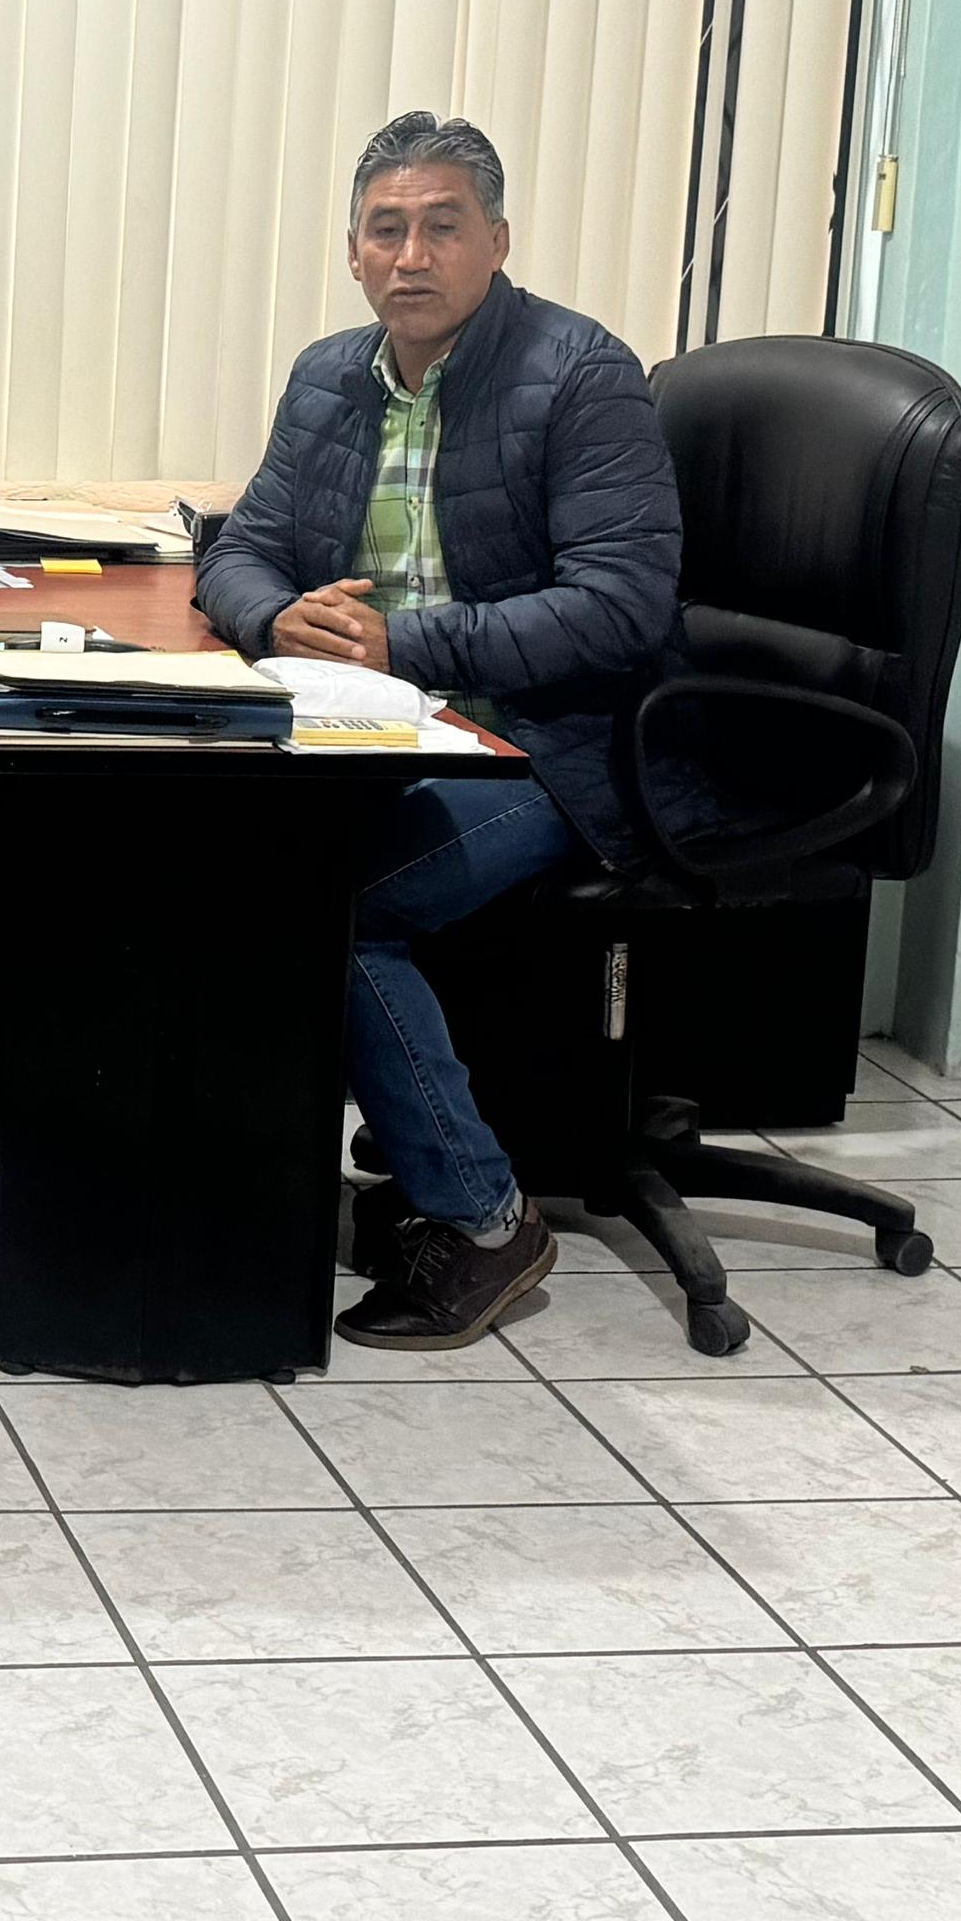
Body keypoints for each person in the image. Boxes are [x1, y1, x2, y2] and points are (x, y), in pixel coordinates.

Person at [194, 110, 687, 1351]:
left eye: (441, 227)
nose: (409, 256)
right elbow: (240, 548)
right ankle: (243, 1178)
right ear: (352, 253)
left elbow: (620, 606)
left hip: (549, 746)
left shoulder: (579, 375)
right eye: (385, 230)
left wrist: (403, 647)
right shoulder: (327, 375)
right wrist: (273, 615)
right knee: (209, 848)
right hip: (369, 726)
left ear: (496, 243)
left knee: (334, 906)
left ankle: (481, 1220)